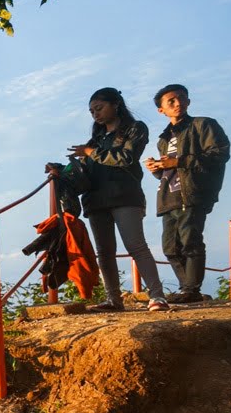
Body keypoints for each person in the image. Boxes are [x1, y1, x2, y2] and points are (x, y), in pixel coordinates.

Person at [45, 87, 169, 312]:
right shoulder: (96, 139)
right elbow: (85, 172)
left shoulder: (134, 129)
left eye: (99, 108)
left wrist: (91, 153)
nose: (95, 114)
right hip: (96, 200)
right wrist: (60, 170)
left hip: (125, 196)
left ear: (116, 105)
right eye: (92, 111)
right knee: (104, 252)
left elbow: (126, 157)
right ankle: (113, 300)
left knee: (136, 246)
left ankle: (157, 296)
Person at [144, 84, 231, 304]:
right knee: (170, 247)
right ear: (161, 110)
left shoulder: (203, 125)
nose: (177, 103)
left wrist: (179, 161)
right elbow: (172, 171)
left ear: (189, 102)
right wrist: (158, 169)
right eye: (171, 101)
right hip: (168, 197)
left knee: (190, 240)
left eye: (181, 98)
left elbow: (219, 154)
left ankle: (191, 289)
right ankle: (188, 289)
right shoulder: (163, 139)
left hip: (193, 194)